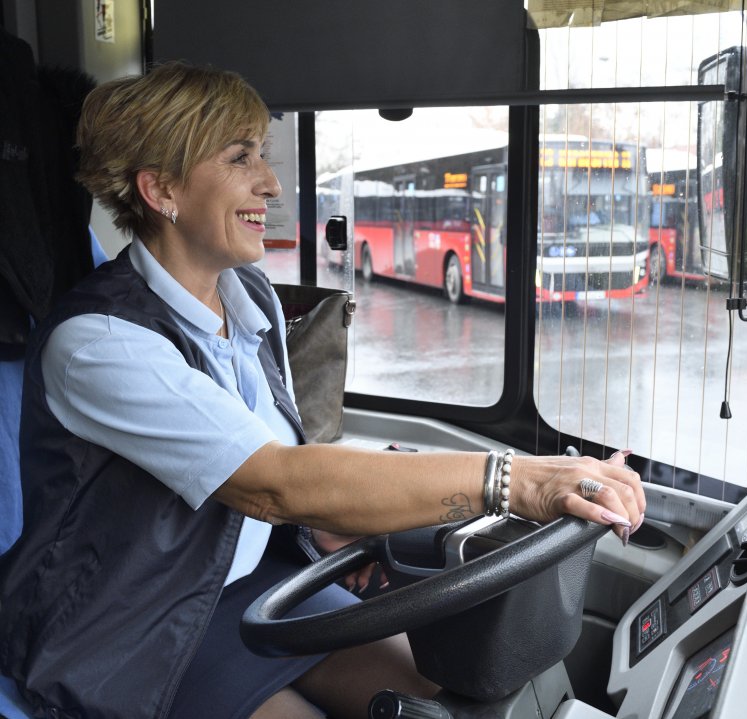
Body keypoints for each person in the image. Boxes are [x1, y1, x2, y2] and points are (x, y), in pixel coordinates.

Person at [0, 62, 646, 719]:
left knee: (446, 707)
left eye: (263, 154)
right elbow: (273, 481)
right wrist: (518, 479)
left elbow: (277, 474)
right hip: (136, 627)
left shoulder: (249, 296)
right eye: (240, 158)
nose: (271, 183)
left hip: (257, 583)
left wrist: (321, 522)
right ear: (161, 187)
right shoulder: (99, 342)